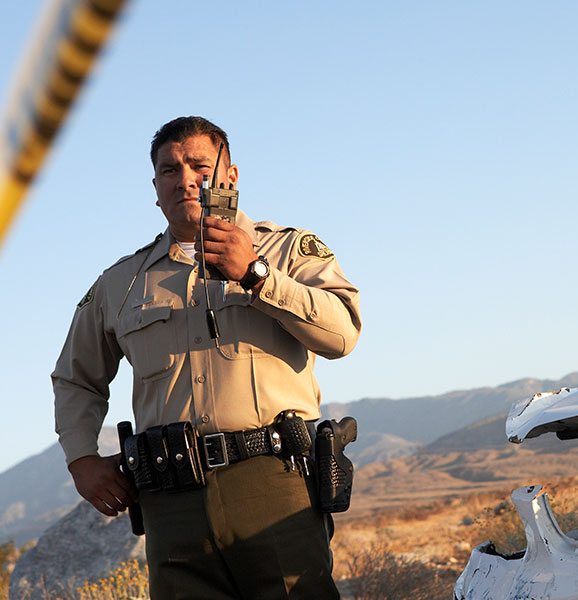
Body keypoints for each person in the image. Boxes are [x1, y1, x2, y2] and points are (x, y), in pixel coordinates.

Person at [52, 116, 362, 599]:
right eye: (169, 170)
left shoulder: (285, 250)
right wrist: (81, 459)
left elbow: (341, 334)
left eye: (199, 165)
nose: (185, 179)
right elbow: (76, 378)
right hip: (170, 500)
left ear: (230, 177)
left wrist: (256, 275)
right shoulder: (121, 283)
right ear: (155, 187)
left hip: (275, 483)